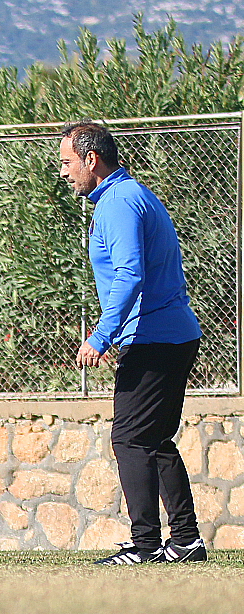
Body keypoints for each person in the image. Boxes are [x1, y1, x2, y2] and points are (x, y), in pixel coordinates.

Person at [58, 122, 206, 564]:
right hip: (173, 334)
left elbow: (130, 274)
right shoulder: (129, 195)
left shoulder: (118, 204)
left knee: (130, 441)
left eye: (66, 163)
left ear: (91, 159)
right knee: (154, 440)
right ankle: (186, 540)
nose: (63, 173)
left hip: (154, 337)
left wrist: (101, 335)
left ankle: (145, 545)